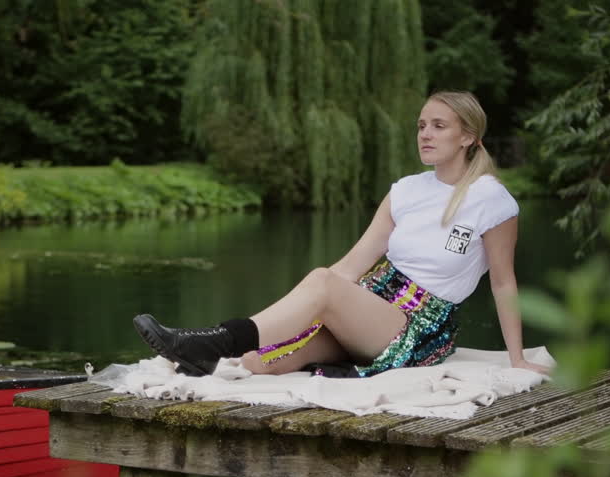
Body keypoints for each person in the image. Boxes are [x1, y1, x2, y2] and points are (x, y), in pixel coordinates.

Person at [133, 90, 552, 379]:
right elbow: (352, 266)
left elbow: (503, 282)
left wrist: (517, 358)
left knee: (322, 281)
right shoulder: (405, 190)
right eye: (421, 125)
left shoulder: (490, 199)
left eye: (439, 126)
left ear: (468, 136)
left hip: (418, 326)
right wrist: (305, 308)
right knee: (258, 363)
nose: (425, 134)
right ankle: (211, 353)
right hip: (367, 307)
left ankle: (209, 340)